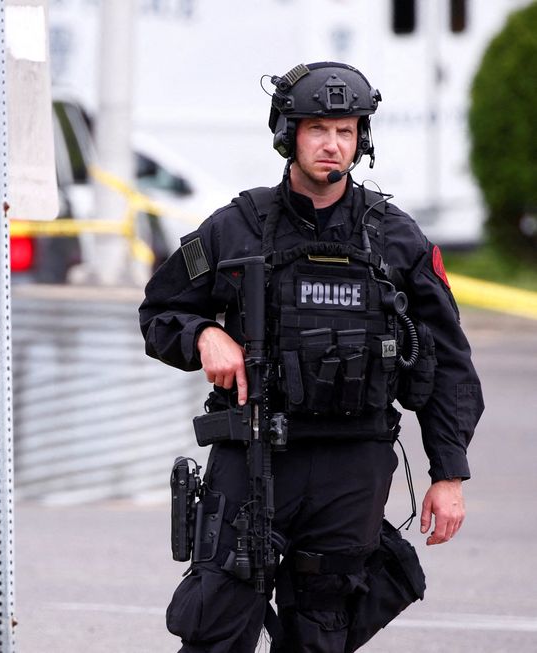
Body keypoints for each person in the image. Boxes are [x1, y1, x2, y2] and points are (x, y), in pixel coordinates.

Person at [139, 62, 483, 652]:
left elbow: (449, 363)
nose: (333, 145)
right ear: (288, 133)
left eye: (346, 131)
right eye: (318, 129)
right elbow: (159, 312)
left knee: (323, 629)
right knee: (217, 619)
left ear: (361, 139)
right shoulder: (234, 228)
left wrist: (447, 473)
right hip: (252, 452)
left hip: (353, 464)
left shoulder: (396, 239)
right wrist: (203, 334)